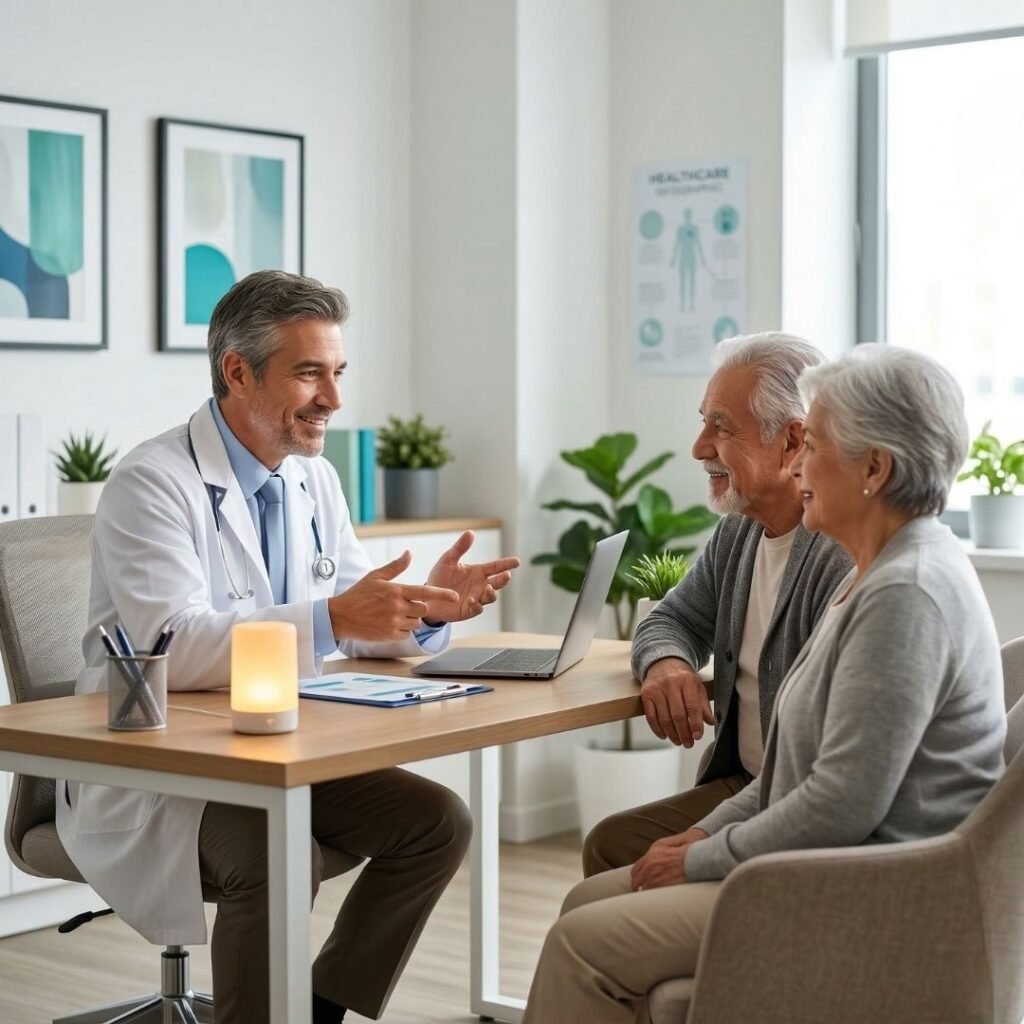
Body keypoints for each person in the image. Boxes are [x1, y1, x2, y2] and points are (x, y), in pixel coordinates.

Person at [56, 270, 521, 1024]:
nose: (333, 400)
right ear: (238, 371)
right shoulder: (154, 482)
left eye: (336, 373)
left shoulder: (313, 479)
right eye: (310, 374)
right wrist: (339, 615)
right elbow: (171, 645)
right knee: (277, 856)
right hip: (163, 767)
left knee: (438, 822)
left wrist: (423, 608)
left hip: (277, 747)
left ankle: (311, 1010)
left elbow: (350, 615)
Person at [523, 344, 1006, 1023]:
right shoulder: (880, 569)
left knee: (581, 938)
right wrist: (706, 837)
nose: (803, 462)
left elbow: (841, 803)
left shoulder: (907, 593)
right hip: (825, 859)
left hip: (864, 887)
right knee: (589, 903)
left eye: (818, 443)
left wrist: (702, 857)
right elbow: (793, 770)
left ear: (874, 469)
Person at [584, 333, 852, 878]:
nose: (699, 446)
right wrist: (666, 662)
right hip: (746, 784)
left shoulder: (840, 554)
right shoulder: (739, 533)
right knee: (611, 845)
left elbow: (831, 775)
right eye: (703, 421)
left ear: (793, 441)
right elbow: (672, 617)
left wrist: (708, 845)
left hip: (793, 800)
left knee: (617, 867)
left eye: (721, 427)